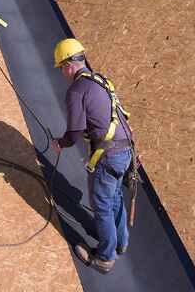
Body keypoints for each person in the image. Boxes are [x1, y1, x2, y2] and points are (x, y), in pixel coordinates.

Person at [51, 38, 134, 273]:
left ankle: (105, 258)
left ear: (68, 65)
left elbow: (75, 131)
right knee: (115, 196)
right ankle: (121, 242)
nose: (63, 73)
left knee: (102, 206)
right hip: (126, 149)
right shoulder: (101, 80)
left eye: (61, 68)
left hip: (108, 155)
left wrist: (61, 143)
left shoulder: (77, 90)